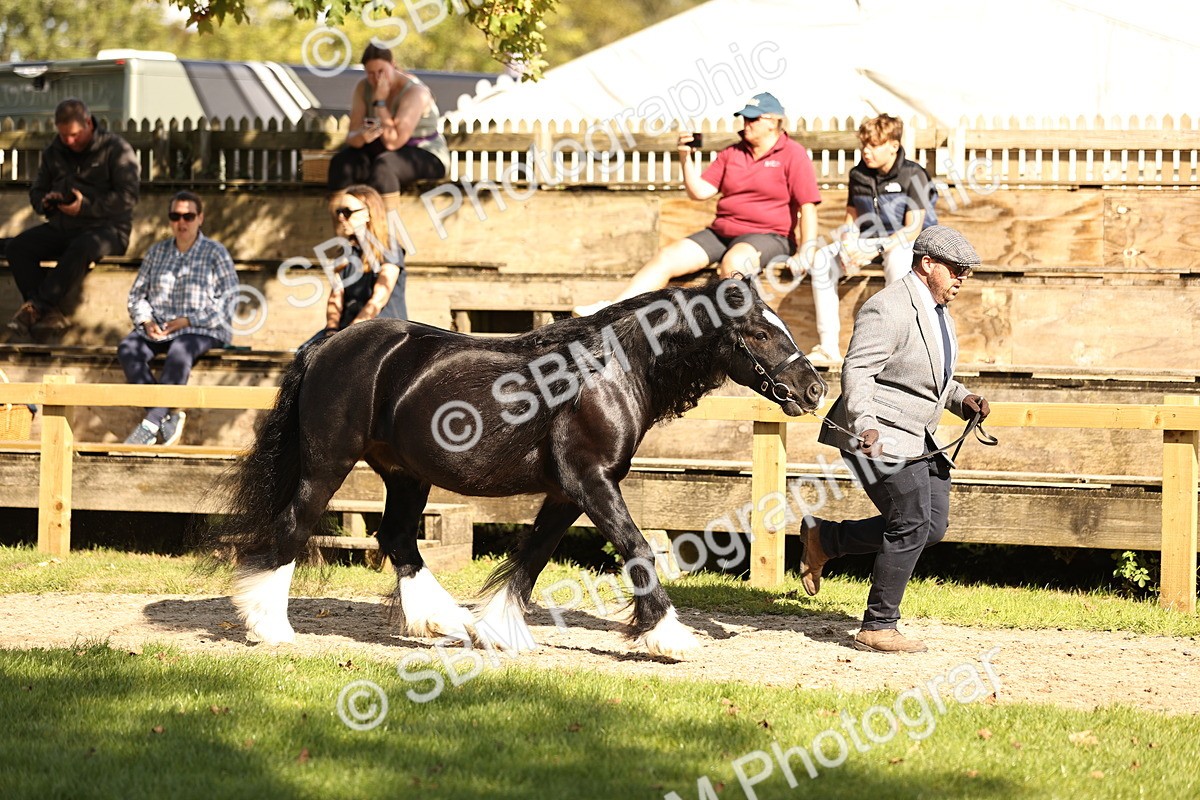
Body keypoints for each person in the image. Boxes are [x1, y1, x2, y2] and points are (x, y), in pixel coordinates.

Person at [804, 225, 991, 654]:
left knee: (933, 527)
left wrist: (963, 399)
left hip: (915, 434)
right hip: (874, 433)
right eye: (958, 270)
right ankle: (878, 626)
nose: (963, 278)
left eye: (967, 272)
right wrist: (866, 423)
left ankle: (826, 540)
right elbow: (857, 371)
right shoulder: (887, 308)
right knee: (909, 520)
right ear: (928, 264)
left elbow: (927, 378)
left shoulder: (937, 310)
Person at [573, 92, 820, 318]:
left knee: (733, 263)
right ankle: (611, 314)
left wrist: (806, 249)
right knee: (667, 257)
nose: (746, 124)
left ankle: (740, 332)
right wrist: (685, 157)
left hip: (769, 235)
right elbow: (699, 192)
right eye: (744, 119)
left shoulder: (793, 154)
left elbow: (807, 206)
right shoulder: (732, 153)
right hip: (722, 232)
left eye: (752, 119)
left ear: (772, 122)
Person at [804, 114, 939, 367]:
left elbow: (912, 228)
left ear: (893, 146)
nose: (866, 151)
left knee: (898, 258)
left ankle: (897, 348)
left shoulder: (914, 174)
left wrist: (875, 247)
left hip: (909, 243)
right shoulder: (858, 175)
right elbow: (850, 220)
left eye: (873, 145)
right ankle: (828, 347)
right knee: (822, 259)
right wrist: (847, 244)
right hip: (871, 240)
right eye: (864, 145)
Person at [6, 98, 140, 337]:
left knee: (83, 246)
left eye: (75, 135)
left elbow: (127, 197)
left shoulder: (116, 149)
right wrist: (46, 201)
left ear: (89, 123)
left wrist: (85, 207)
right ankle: (50, 313)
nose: (69, 141)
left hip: (108, 230)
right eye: (64, 135)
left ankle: (36, 307)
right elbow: (36, 191)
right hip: (63, 225)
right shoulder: (53, 152)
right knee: (17, 247)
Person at [118, 192, 237, 446]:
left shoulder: (216, 253)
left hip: (203, 329)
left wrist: (188, 321)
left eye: (188, 216)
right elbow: (137, 296)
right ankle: (164, 416)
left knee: (180, 350)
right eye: (175, 216)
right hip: (160, 327)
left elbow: (229, 301)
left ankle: (149, 425)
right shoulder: (156, 252)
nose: (182, 222)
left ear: (200, 218)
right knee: (128, 349)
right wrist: (146, 321)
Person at [326, 44, 449, 215]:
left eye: (381, 71)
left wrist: (380, 103)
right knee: (342, 162)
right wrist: (362, 136)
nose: (376, 78)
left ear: (393, 64)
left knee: (384, 167)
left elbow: (393, 142)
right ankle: (343, 228)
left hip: (423, 153)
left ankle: (385, 232)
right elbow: (351, 136)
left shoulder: (416, 92)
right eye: (370, 73)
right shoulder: (363, 87)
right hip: (382, 149)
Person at [300, 184, 406, 351]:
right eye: (339, 212)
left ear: (368, 214)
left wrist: (351, 332)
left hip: (383, 329)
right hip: (346, 329)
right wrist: (331, 330)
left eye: (347, 212)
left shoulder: (389, 247)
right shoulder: (344, 250)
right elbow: (336, 296)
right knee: (303, 354)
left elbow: (379, 298)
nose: (341, 217)